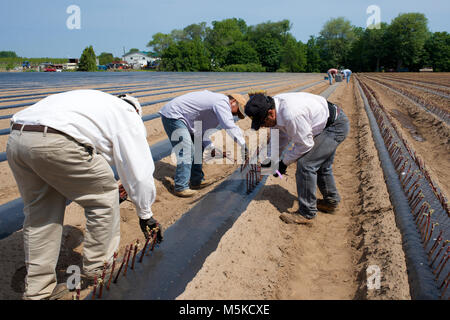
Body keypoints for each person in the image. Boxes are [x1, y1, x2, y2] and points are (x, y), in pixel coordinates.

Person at [6, 90, 162, 300]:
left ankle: (37, 291)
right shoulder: (127, 114)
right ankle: (99, 268)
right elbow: (139, 173)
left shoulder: (94, 102)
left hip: (17, 138)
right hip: (57, 141)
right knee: (105, 197)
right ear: (137, 110)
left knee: (40, 214)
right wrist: (145, 214)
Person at [244, 92, 349, 224]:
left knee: (306, 165)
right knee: (321, 165)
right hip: (325, 120)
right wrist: (269, 165)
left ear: (270, 113)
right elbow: (278, 141)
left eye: (263, 122)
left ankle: (307, 213)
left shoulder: (291, 115)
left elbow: (305, 144)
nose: (263, 126)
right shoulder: (274, 109)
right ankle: (330, 202)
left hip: (334, 126)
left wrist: (283, 163)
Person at [159, 90, 249, 197]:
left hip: (188, 121)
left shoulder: (215, 112)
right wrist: (243, 145)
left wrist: (211, 148)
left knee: (198, 147)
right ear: (233, 101)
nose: (235, 115)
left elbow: (201, 132)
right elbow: (229, 125)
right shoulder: (222, 102)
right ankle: (180, 187)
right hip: (174, 115)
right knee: (186, 149)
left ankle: (196, 181)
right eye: (237, 111)